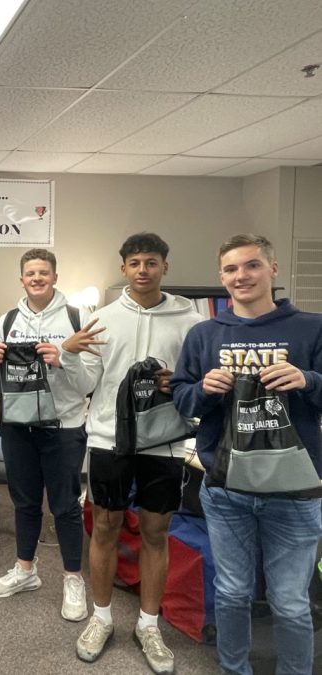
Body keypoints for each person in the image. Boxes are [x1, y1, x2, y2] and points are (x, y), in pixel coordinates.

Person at [171, 234, 322, 675]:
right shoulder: (204, 334)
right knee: (233, 592)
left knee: (290, 602)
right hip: (226, 487)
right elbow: (182, 399)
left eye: (252, 266)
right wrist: (202, 390)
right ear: (222, 277)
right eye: (232, 269)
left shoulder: (311, 328)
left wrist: (307, 380)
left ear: (273, 270)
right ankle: (234, 670)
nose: (242, 276)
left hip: (296, 489)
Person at [62, 233, 201, 673]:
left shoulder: (191, 321)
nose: (143, 270)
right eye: (135, 263)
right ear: (123, 269)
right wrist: (68, 354)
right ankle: (101, 618)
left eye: (152, 262)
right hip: (109, 439)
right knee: (105, 526)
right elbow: (85, 385)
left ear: (165, 267)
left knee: (156, 532)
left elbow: (198, 383)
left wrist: (176, 381)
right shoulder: (101, 319)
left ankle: (148, 624)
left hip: (166, 441)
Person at [0, 250, 91, 621]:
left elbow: (91, 381)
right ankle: (25, 570)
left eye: (44, 272)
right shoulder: (7, 320)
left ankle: (73, 578)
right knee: (24, 502)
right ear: (22, 279)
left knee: (64, 506)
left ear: (55, 277)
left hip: (63, 427)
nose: (37, 278)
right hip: (18, 427)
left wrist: (63, 358)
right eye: (31, 273)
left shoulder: (77, 317)